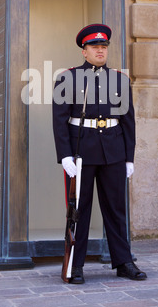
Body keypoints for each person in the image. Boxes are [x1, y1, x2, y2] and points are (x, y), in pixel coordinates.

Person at [52, 23, 147, 284]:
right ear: (84, 51)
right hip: (82, 151)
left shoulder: (119, 79)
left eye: (103, 46)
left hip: (113, 151)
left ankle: (124, 262)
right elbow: (59, 120)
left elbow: (128, 120)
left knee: (116, 210)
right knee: (79, 210)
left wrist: (129, 157)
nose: (100, 51)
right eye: (95, 47)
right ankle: (76, 265)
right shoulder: (67, 78)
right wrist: (65, 156)